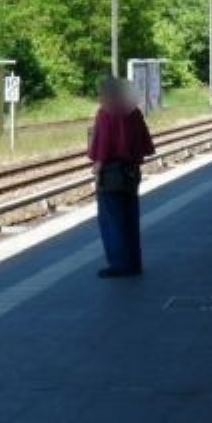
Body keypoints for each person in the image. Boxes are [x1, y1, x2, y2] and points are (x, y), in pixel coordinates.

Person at [87, 77, 156, 278]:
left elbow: (103, 144)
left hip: (111, 172)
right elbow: (145, 143)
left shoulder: (105, 113)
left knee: (112, 219)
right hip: (132, 171)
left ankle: (118, 264)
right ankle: (134, 263)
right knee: (130, 217)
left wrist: (98, 168)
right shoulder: (133, 112)